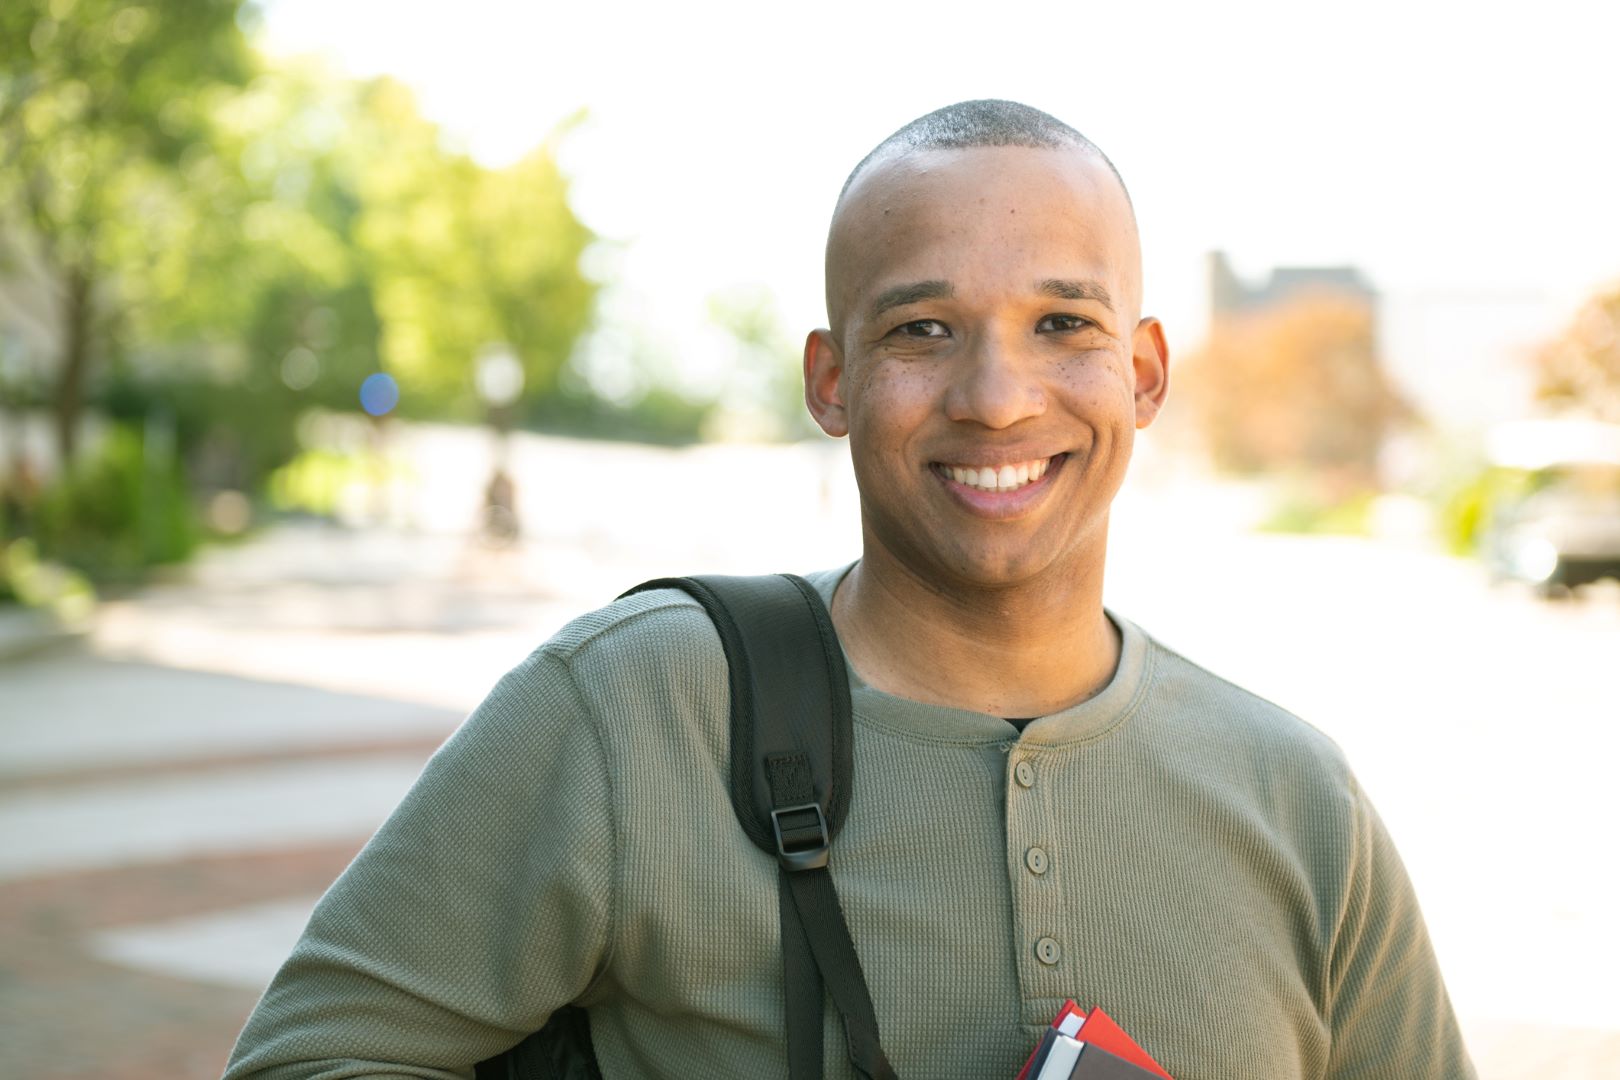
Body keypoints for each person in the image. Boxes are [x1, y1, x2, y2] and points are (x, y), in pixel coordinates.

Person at [223, 100, 1474, 1079]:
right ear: (832, 380)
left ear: (1143, 373)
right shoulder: (632, 707)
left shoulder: (1297, 799)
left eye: (1061, 325)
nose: (996, 395)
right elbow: (311, 1059)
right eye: (923, 329)